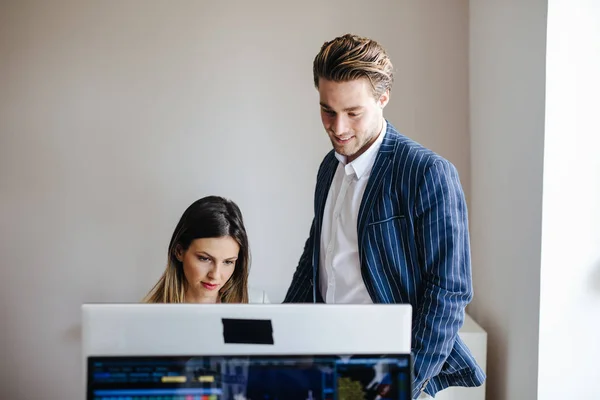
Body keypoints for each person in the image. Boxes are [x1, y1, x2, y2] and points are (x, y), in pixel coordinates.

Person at [283, 34, 485, 398]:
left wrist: (403, 383)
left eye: (353, 113)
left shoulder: (427, 172)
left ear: (383, 98)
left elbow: (450, 290)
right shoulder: (328, 168)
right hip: (326, 361)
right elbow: (316, 259)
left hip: (387, 372)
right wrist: (277, 345)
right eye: (328, 110)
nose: (338, 127)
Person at [144, 195, 269, 304]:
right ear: (179, 251)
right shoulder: (146, 317)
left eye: (228, 262)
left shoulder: (257, 304)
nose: (215, 275)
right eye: (205, 259)